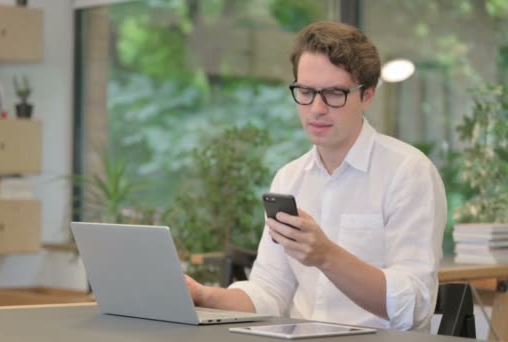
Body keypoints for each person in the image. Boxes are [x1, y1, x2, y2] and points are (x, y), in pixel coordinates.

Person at [185, 21, 446, 331]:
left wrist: (326, 256)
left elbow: (413, 306)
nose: (317, 109)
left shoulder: (407, 171)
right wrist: (204, 295)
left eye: (334, 93)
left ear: (367, 95)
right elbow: (270, 292)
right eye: (306, 92)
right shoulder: (290, 177)